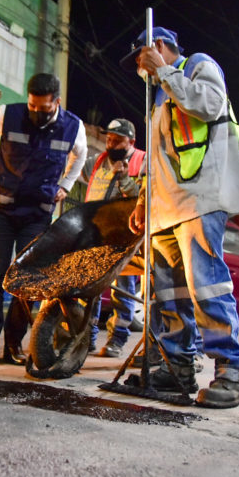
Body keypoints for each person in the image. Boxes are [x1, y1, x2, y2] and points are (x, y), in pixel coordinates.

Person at [122, 27, 239, 408]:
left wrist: (164, 73)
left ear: (159, 48)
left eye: (141, 61)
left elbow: (209, 105)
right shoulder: (158, 98)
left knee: (207, 288)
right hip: (163, 211)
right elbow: (155, 159)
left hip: (199, 201)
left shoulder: (196, 66)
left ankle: (232, 372)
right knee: (168, 295)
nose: (140, 70)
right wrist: (142, 202)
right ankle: (175, 367)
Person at [0, 73, 87, 365]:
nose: (35, 113)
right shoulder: (10, 114)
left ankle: (14, 344)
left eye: (43, 109)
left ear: (56, 102)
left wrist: (67, 185)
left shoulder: (73, 126)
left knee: (27, 281)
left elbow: (80, 156)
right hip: (2, 210)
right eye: (32, 107)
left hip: (37, 214)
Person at [78, 118, 145, 357]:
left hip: (125, 236)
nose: (112, 143)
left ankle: (117, 340)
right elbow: (76, 168)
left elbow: (143, 197)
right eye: (109, 138)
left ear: (131, 141)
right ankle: (87, 337)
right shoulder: (96, 161)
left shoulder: (142, 161)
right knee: (90, 289)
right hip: (96, 234)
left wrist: (125, 179)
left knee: (121, 290)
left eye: (118, 140)